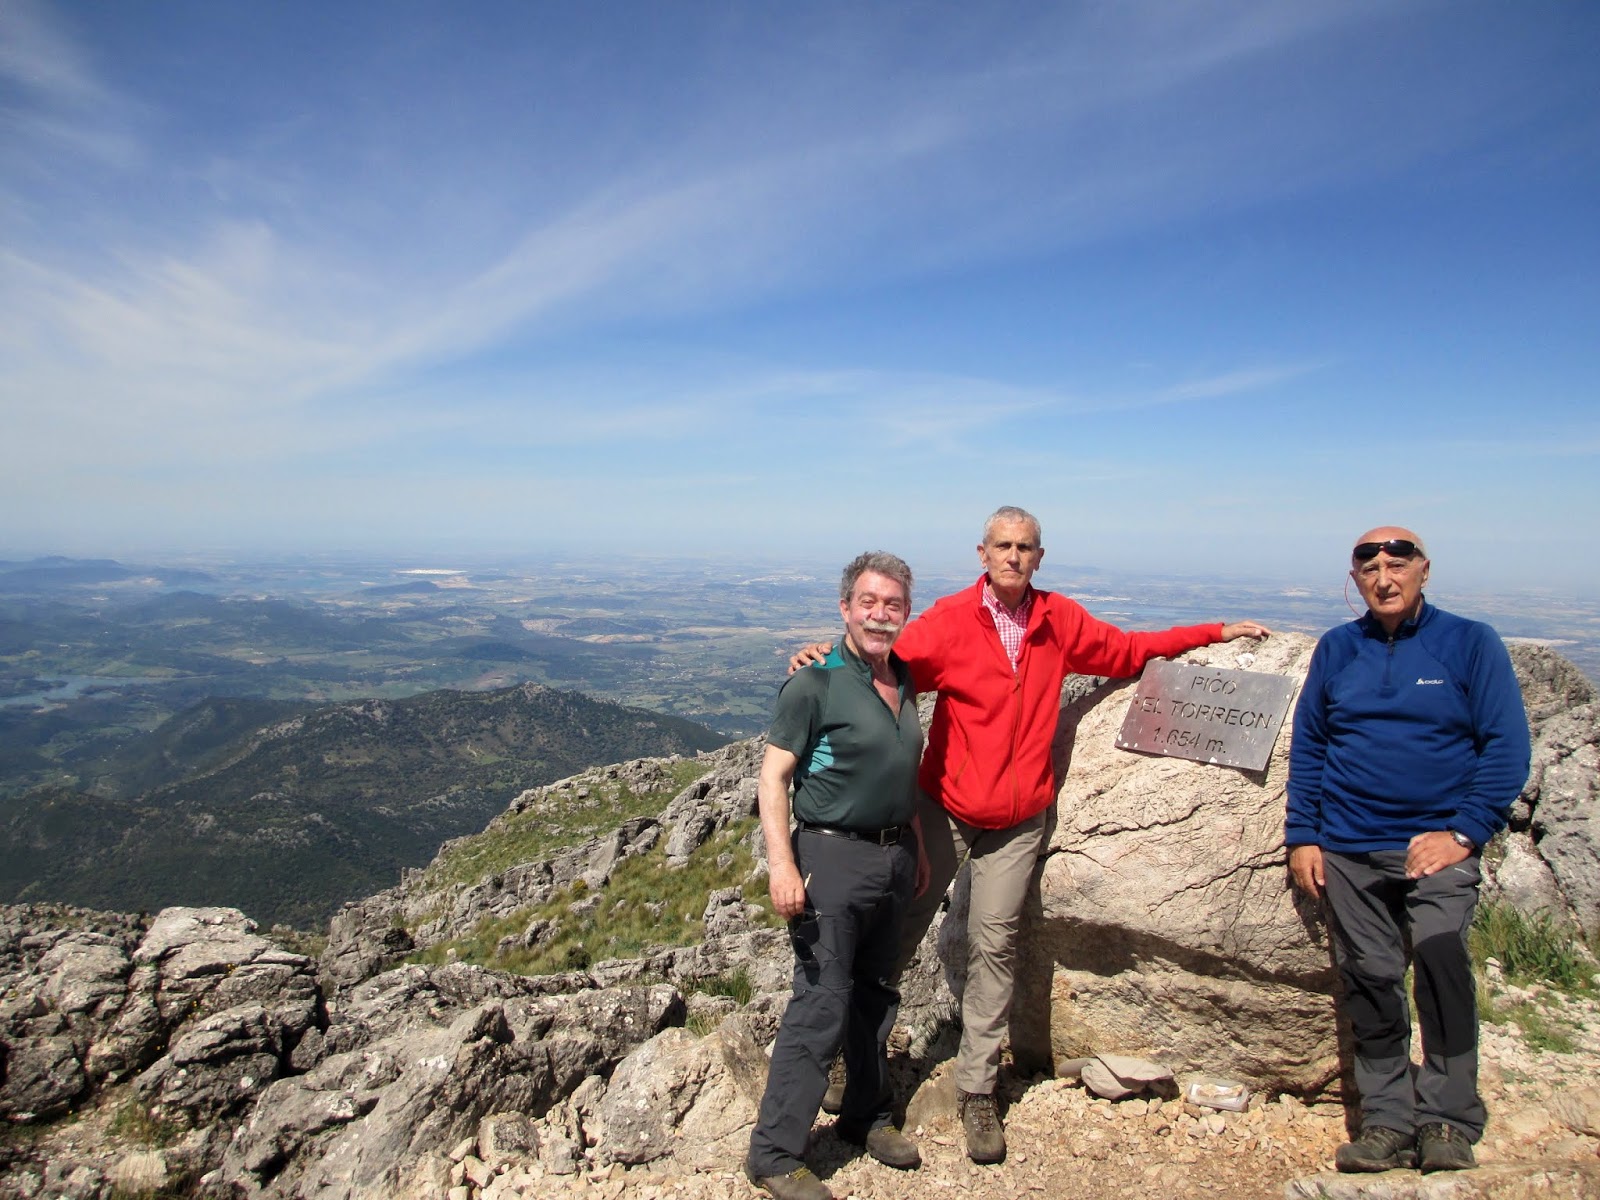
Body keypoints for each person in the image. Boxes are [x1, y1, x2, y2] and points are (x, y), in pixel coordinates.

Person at [795, 507, 1270, 1163]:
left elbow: (1128, 650)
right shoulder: (954, 621)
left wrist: (1214, 631)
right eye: (1003, 546)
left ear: (1038, 558)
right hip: (947, 807)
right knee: (893, 936)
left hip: (1019, 820)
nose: (1014, 556)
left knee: (995, 945)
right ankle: (852, 1063)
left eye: (1025, 547)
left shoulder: (1058, 621)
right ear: (982, 553)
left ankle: (977, 1091)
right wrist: (822, 660)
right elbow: (883, 662)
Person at [1286, 527, 1530, 1174]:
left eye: (1399, 564)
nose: (1384, 577)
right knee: (1370, 981)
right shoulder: (1338, 649)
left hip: (1438, 845)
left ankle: (1449, 1119)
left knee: (1442, 962)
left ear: (1424, 570)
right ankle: (1389, 1121)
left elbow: (1507, 747)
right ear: (1355, 579)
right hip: (1349, 845)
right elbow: (1311, 744)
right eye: (1370, 567)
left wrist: (1462, 834)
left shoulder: (1469, 643)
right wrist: (1303, 836)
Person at [746, 551, 930, 1200]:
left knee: (876, 996)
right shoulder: (814, 683)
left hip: (893, 855)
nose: (881, 614)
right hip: (829, 857)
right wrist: (782, 863)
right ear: (845, 607)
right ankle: (773, 1153)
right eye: (869, 602)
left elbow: (899, 774)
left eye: (894, 604)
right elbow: (773, 777)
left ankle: (865, 1117)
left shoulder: (903, 678)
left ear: (907, 612)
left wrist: (914, 846)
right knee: (821, 1003)